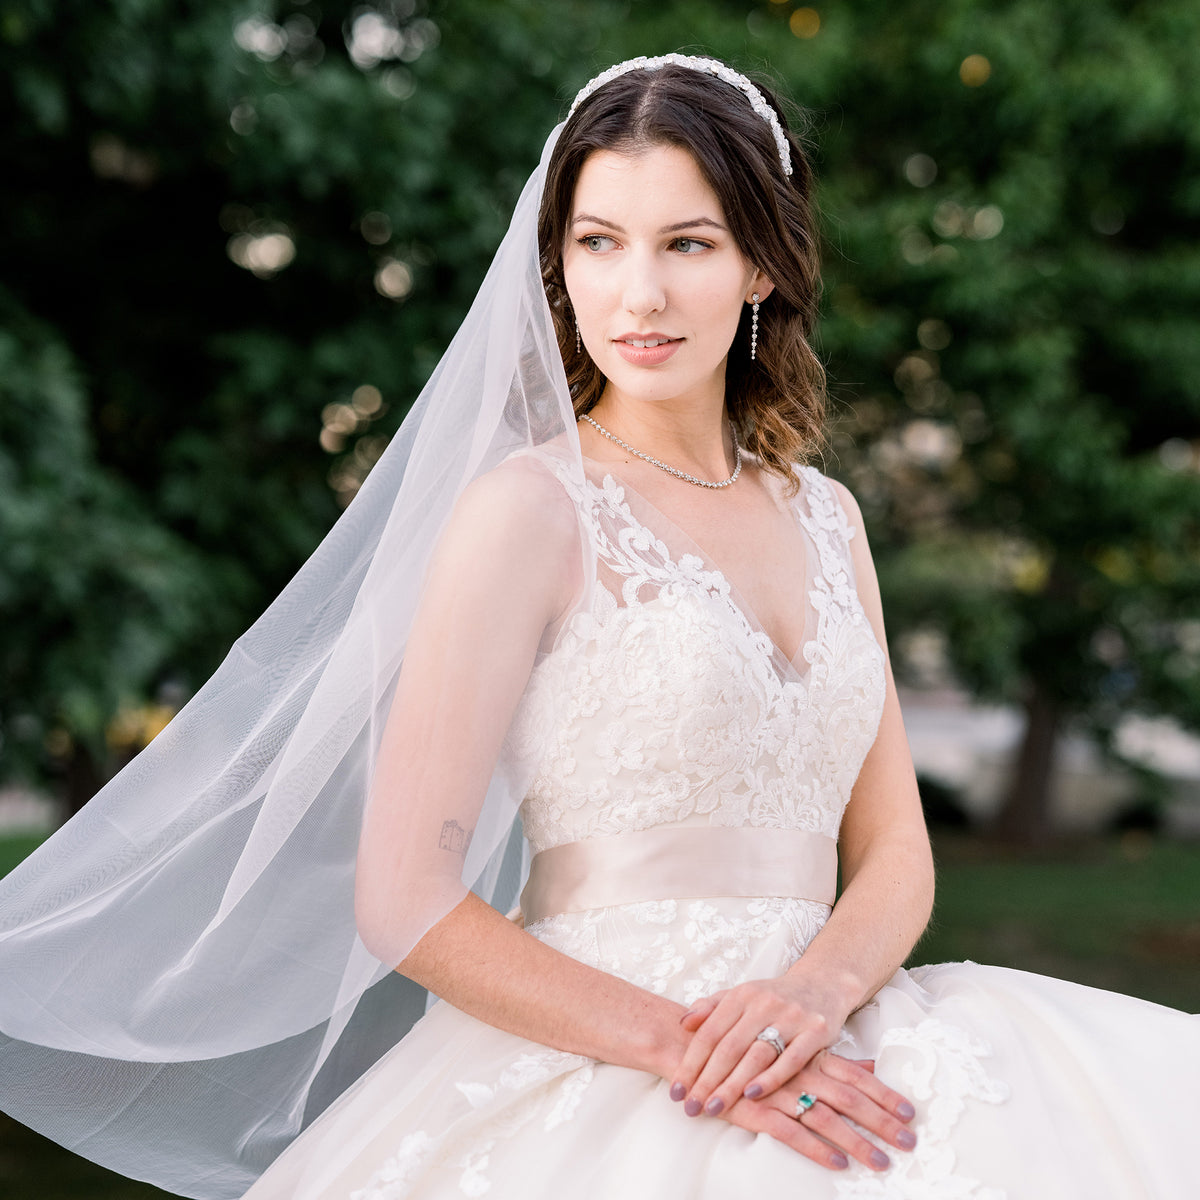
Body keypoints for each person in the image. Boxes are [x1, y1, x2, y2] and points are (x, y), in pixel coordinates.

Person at [1, 53, 1196, 1200]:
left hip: (829, 1020)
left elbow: (894, 853)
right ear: (559, 265)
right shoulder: (528, 511)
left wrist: (812, 1000)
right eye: (599, 242)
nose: (640, 292)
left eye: (689, 243)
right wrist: (692, 1054)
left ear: (763, 267)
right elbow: (405, 896)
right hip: (614, 1052)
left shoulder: (830, 518)